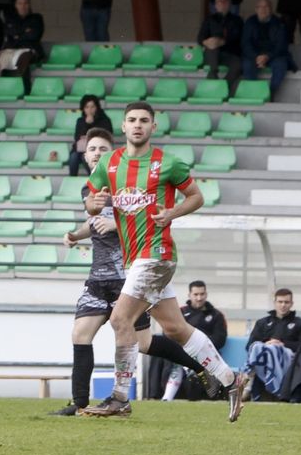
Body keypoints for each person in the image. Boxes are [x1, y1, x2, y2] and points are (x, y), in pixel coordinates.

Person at [82, 101, 247, 420]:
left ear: (153, 127)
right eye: (132, 120)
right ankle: (231, 380)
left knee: (119, 320)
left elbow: (197, 196)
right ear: (123, 126)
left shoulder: (167, 163)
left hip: (157, 254)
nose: (138, 125)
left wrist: (172, 212)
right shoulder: (111, 163)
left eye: (144, 120)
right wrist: (94, 202)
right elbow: (91, 203)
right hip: (136, 258)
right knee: (175, 328)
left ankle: (119, 398)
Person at [51, 128, 162, 416]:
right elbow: (96, 222)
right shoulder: (89, 188)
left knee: (146, 344)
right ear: (85, 155)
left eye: (103, 149)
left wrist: (118, 226)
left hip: (128, 277)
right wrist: (75, 235)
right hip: (99, 278)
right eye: (92, 149)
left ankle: (201, 365)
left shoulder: (125, 182)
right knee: (80, 333)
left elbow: (148, 219)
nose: (97, 154)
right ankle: (79, 404)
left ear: (112, 154)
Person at [146, 280, 228, 402]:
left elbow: (220, 339)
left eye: (202, 294)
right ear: (189, 295)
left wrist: (198, 345)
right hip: (180, 349)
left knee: (183, 360)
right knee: (159, 355)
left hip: (204, 352)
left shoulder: (216, 315)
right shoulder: (180, 312)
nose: (199, 298)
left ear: (206, 294)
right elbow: (168, 331)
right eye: (196, 294)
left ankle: (185, 396)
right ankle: (154, 396)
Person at [246, 288, 301, 401]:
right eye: (280, 302)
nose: (283, 305)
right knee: (259, 347)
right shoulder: (262, 322)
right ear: (274, 303)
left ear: (291, 304)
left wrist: (282, 344)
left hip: (289, 360)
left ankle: (251, 387)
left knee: (274, 349)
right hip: (264, 361)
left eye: (286, 302)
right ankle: (248, 388)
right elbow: (250, 345)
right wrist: (267, 344)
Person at [241, 0, 295, 99]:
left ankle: (270, 93)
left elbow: (281, 46)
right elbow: (245, 43)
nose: (263, 9)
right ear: (256, 9)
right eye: (260, 7)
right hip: (255, 55)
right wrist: (256, 57)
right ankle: (253, 93)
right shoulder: (250, 22)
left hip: (273, 55)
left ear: (271, 9)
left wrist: (267, 56)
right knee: (247, 64)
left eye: (266, 6)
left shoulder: (279, 23)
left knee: (281, 64)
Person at [0, 0, 44, 93]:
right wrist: (24, 32)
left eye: (26, 3)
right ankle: (0, 88)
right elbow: (9, 33)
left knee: (23, 56)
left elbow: (33, 35)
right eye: (20, 3)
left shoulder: (37, 18)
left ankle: (25, 89)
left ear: (29, 5)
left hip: (30, 50)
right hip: (12, 49)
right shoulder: (10, 19)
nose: (23, 6)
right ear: (15, 5)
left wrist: (17, 35)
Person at [197, 0, 243, 93]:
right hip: (213, 53)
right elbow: (200, 38)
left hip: (230, 53)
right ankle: (213, 78)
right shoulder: (209, 19)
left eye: (225, 1)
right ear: (216, 5)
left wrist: (222, 42)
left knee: (239, 65)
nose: (222, 3)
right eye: (220, 1)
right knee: (212, 49)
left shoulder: (237, 20)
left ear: (230, 4)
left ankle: (223, 87)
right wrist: (208, 42)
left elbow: (238, 36)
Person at [68, 95, 112, 177]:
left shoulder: (104, 120)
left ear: (97, 108)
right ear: (83, 109)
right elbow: (77, 137)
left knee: (88, 158)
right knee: (73, 157)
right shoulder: (80, 121)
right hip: (81, 150)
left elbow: (107, 134)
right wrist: (86, 124)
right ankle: (72, 179)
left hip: (97, 149)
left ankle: (94, 179)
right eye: (87, 107)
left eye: (92, 107)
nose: (89, 110)